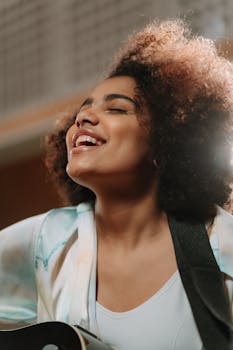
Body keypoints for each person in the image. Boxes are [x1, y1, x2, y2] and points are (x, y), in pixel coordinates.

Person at [0, 19, 233, 350]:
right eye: (83, 110)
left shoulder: (223, 247)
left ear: (168, 141)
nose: (84, 118)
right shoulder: (47, 241)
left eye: (116, 109)